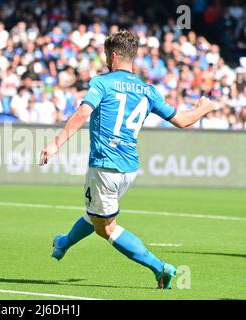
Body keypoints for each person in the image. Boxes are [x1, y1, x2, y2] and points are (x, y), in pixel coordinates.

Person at [39, 30, 217, 289]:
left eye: (104, 55)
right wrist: (204, 108)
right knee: (96, 214)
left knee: (106, 228)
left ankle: (160, 268)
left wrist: (56, 143)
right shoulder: (148, 90)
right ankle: (64, 242)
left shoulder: (102, 83)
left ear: (112, 55)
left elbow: (82, 113)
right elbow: (182, 120)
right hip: (129, 169)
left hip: (105, 166)